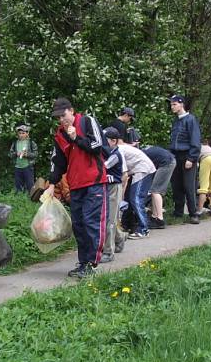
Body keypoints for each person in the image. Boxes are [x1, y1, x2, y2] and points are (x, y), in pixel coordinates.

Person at [45, 97, 108, 278]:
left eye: (63, 115)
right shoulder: (59, 134)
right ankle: (83, 263)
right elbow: (58, 162)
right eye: (58, 117)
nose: (61, 120)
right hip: (75, 184)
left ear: (71, 111)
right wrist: (51, 184)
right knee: (79, 225)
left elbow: (97, 146)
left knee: (91, 222)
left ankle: (92, 263)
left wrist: (76, 138)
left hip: (94, 182)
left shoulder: (87, 121)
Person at [130, 129, 175, 229]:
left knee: (155, 191)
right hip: (167, 161)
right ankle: (155, 217)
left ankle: (159, 219)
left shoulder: (139, 155)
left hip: (166, 163)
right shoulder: (143, 151)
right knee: (154, 190)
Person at [115, 131, 156, 239]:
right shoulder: (118, 148)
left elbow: (124, 176)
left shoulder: (119, 150)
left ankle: (144, 229)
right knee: (129, 199)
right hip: (136, 170)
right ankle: (126, 225)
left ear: (113, 140)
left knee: (136, 199)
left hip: (143, 169)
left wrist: (121, 195)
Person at [168, 94, 201, 224]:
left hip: (187, 155)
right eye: (171, 104)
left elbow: (195, 140)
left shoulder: (191, 119)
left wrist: (191, 158)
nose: (172, 107)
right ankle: (178, 212)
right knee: (176, 185)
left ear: (181, 104)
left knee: (189, 186)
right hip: (175, 155)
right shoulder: (176, 121)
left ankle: (194, 213)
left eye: (174, 104)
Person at [101, 127, 128, 262]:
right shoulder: (107, 152)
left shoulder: (115, 155)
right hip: (105, 187)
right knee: (106, 218)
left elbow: (103, 167)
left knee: (109, 221)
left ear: (113, 141)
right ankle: (120, 237)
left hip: (113, 188)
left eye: (105, 140)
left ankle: (108, 252)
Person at [9, 125, 38, 193]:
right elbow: (10, 154)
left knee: (30, 186)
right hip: (17, 167)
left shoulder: (31, 143)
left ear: (27, 133)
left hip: (28, 167)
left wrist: (27, 154)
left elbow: (35, 154)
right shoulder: (15, 143)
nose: (21, 135)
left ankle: (31, 201)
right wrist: (16, 154)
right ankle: (20, 200)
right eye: (20, 133)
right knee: (18, 187)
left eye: (23, 133)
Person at [197, 139, 211, 218]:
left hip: (206, 159)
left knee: (203, 186)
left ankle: (199, 212)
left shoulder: (197, 146)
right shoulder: (208, 147)